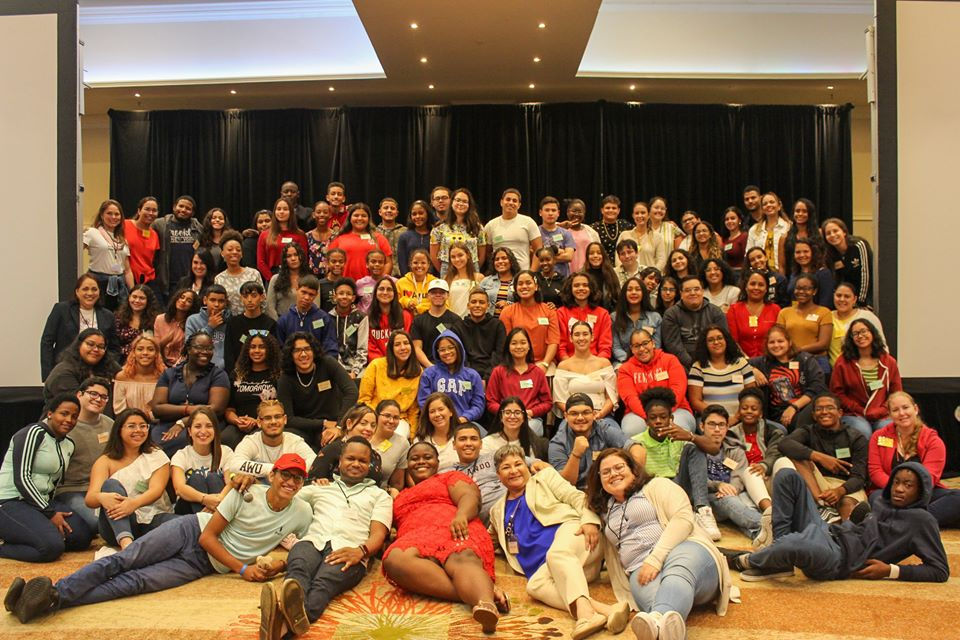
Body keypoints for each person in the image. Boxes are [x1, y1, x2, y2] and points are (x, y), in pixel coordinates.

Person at [4, 453, 311, 626]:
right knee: (125, 560)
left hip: (201, 565)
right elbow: (207, 538)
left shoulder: (301, 512)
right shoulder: (245, 493)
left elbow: (301, 546)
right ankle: (54, 593)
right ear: (272, 475)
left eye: (297, 478)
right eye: (285, 474)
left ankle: (45, 599)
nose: (290, 482)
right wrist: (243, 569)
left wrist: (277, 565)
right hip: (191, 531)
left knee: (135, 583)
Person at [586, 447, 734, 640]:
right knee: (660, 614)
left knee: (678, 570)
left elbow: (683, 519)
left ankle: (657, 619)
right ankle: (661, 625)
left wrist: (655, 559)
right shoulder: (605, 509)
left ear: (633, 469)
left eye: (619, 467)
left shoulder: (657, 486)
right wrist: (588, 521)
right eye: (606, 472)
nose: (613, 474)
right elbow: (579, 500)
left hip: (685, 552)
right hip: (640, 570)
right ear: (599, 479)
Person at [490, 445, 630, 640]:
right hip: (554, 570)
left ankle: (586, 616)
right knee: (534, 586)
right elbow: (488, 540)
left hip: (577, 538)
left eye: (518, 464)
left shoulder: (545, 478)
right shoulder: (497, 510)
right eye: (506, 467)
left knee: (557, 553)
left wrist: (590, 520)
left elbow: (578, 497)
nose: (513, 470)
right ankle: (606, 610)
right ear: (498, 475)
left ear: (526, 466)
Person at [725, 462, 948, 583]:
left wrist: (891, 570)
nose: (898, 489)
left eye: (908, 485)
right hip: (830, 531)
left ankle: (742, 560)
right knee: (786, 475)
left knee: (793, 544)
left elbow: (939, 570)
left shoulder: (922, 520)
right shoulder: (880, 500)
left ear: (921, 491)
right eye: (896, 481)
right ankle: (780, 559)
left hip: (838, 559)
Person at [269, 437, 393, 638]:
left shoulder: (380, 496)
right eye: (350, 458)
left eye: (362, 461)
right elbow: (279, 495)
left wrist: (360, 552)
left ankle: (282, 622)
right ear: (340, 461)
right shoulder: (320, 488)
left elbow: (378, 534)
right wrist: (241, 480)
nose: (356, 464)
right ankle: (287, 619)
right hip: (313, 542)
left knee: (323, 582)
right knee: (299, 569)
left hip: (349, 551)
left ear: (369, 464)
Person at [380, 442, 508, 635]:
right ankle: (482, 593)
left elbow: (469, 496)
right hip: (415, 536)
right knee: (394, 560)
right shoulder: (400, 497)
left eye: (427, 457)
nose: (421, 461)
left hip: (454, 524)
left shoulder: (449, 477)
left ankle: (485, 603)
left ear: (437, 462)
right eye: (414, 458)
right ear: (407, 465)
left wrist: (461, 516)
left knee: (461, 557)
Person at [0, 394, 95, 563]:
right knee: (51, 548)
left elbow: (54, 482)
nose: (69, 420)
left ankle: (30, 535)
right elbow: (22, 478)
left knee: (81, 538)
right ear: (50, 413)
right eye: (64, 413)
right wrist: (49, 513)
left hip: (41, 502)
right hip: (11, 501)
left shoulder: (68, 444)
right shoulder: (32, 433)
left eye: (74, 416)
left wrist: (49, 508)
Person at [86, 408, 176, 552]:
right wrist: (101, 497)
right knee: (110, 485)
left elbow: (156, 490)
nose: (138, 430)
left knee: (184, 524)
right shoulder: (105, 461)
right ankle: (127, 545)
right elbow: (90, 499)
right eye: (131, 426)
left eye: (143, 426)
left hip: (151, 517)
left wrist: (133, 504)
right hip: (115, 525)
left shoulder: (157, 455)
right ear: (119, 430)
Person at [869, 391, 960, 527]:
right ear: (889, 415)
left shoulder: (933, 440)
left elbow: (930, 478)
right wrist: (897, 489)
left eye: (905, 407)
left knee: (957, 497)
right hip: (889, 491)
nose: (901, 413)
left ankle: (900, 522)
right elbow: (875, 471)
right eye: (895, 410)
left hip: (923, 493)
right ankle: (918, 521)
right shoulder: (878, 437)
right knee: (876, 498)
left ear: (915, 409)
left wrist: (909, 492)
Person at [775, 393, 868, 522]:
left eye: (830, 408)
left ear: (840, 413)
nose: (824, 412)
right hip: (816, 483)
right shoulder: (808, 431)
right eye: (819, 409)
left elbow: (859, 477)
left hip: (846, 485)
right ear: (813, 415)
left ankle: (845, 530)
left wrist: (840, 491)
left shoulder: (856, 437)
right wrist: (819, 457)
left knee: (847, 505)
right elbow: (784, 444)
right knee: (797, 456)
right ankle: (822, 506)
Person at [699, 406, 773, 546]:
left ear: (727, 427)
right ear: (702, 426)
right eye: (712, 424)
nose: (717, 429)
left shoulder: (735, 450)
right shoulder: (695, 449)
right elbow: (696, 479)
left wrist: (732, 489)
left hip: (733, 493)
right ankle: (776, 525)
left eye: (721, 425)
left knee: (748, 504)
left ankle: (760, 536)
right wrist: (718, 485)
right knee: (730, 502)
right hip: (709, 496)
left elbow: (739, 475)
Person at [150, 331, 230, 456]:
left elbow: (216, 409)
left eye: (209, 348)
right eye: (199, 347)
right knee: (153, 443)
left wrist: (183, 422)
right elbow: (157, 408)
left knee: (182, 441)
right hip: (167, 423)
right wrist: (188, 409)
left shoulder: (218, 375)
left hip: (204, 424)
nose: (205, 352)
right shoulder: (170, 374)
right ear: (188, 349)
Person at [277, 332, 358, 448]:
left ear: (314, 351)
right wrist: (323, 423)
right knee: (288, 443)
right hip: (302, 428)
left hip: (333, 424)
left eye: (307, 349)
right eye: (297, 350)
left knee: (335, 444)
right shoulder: (285, 378)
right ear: (290, 354)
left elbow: (352, 392)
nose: (303, 354)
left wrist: (340, 426)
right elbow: (288, 418)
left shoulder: (327, 363)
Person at [549, 394, 645, 489]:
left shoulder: (603, 429)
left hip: (608, 488)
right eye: (574, 414)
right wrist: (576, 455)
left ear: (594, 414)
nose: (580, 418)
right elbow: (566, 484)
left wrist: (630, 477)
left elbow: (638, 449)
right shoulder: (558, 443)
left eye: (586, 412)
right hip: (577, 492)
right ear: (566, 416)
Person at [56, 378, 114, 531]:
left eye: (103, 397)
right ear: (79, 395)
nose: (98, 399)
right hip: (72, 489)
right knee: (97, 523)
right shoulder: (64, 425)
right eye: (93, 394)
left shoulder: (110, 424)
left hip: (103, 486)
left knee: (127, 515)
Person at [616, 329, 696, 436]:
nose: (642, 349)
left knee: (678, 427)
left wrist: (664, 415)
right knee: (632, 429)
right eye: (636, 346)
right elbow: (630, 398)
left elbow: (678, 390)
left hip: (676, 409)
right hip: (638, 414)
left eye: (645, 343)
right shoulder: (625, 369)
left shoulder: (670, 360)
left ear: (653, 343)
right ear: (632, 349)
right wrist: (650, 417)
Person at [40, 273, 119, 381]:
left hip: (98, 374)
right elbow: (47, 342)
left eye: (94, 289)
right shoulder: (61, 310)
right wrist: (48, 375)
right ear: (77, 292)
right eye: (85, 289)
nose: (90, 293)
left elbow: (114, 348)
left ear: (99, 292)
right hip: (66, 371)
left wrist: (107, 368)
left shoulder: (108, 315)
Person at [830, 319, 901, 438]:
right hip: (853, 414)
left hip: (883, 414)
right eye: (855, 333)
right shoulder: (843, 362)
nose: (860, 336)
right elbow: (837, 393)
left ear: (872, 333)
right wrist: (860, 410)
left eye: (864, 331)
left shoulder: (889, 361)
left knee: (885, 430)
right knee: (863, 431)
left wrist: (882, 410)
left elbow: (896, 393)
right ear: (851, 338)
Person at [748, 324, 826, 429]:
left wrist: (793, 407)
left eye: (780, 341)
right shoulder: (763, 362)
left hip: (803, 408)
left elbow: (817, 387)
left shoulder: (805, 359)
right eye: (772, 342)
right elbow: (738, 362)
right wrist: (753, 370)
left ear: (789, 343)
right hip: (777, 414)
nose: (776, 345)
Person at [487, 328, 552, 437]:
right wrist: (508, 413)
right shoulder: (498, 371)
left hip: (531, 420)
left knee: (525, 431)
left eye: (523, 343)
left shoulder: (537, 372)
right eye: (514, 343)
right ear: (508, 347)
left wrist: (531, 412)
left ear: (529, 346)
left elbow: (547, 402)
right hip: (505, 420)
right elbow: (491, 401)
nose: (518, 346)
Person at [554, 321, 619, 430]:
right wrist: (577, 415)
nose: (581, 338)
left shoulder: (604, 363)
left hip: (601, 415)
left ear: (592, 337)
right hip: (573, 418)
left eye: (585, 334)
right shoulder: (563, 366)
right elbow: (560, 400)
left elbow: (611, 397)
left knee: (616, 435)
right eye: (577, 334)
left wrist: (600, 414)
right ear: (571, 338)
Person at [228, 400, 317, 478]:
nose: (273, 422)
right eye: (267, 418)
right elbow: (235, 465)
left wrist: (287, 471)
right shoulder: (251, 441)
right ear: (259, 422)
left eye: (277, 417)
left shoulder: (295, 441)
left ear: (285, 419)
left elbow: (314, 462)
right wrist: (277, 469)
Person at [170, 407, 234, 514]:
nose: (203, 431)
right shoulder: (181, 455)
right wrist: (205, 499)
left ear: (215, 430)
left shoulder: (226, 452)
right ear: (190, 431)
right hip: (187, 511)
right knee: (196, 479)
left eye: (209, 426)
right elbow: (179, 488)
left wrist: (217, 500)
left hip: (219, 504)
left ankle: (211, 520)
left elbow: (231, 483)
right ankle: (206, 522)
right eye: (198, 426)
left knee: (214, 477)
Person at [358, 330, 422, 435]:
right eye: (397, 344)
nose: (403, 347)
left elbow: (413, 409)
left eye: (406, 343)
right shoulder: (376, 365)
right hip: (374, 414)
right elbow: (364, 400)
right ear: (391, 349)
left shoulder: (417, 371)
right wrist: (375, 418)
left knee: (397, 436)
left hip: (399, 419)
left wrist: (412, 434)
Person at [687, 325, 756, 423]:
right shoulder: (698, 367)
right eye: (711, 340)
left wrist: (736, 417)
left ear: (726, 340)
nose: (716, 342)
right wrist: (720, 418)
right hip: (711, 421)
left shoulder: (741, 363)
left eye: (720, 338)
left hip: (742, 419)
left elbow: (752, 395)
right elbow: (696, 402)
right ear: (705, 345)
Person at [223, 334, 281, 448]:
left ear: (269, 350)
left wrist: (256, 421)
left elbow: (281, 408)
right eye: (253, 347)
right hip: (239, 425)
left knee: (254, 443)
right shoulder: (237, 374)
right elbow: (229, 410)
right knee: (225, 438)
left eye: (262, 347)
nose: (257, 351)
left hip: (267, 425)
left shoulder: (278, 375)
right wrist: (238, 421)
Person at [417, 331, 486, 426]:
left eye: (451, 348)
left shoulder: (472, 375)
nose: (447, 352)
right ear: (437, 352)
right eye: (442, 350)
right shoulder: (429, 374)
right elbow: (423, 402)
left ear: (458, 348)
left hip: (463, 424)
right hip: (435, 424)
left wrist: (465, 418)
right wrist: (438, 418)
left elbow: (478, 405)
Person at [662, 275, 728, 370]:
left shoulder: (715, 312)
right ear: (681, 294)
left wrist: (710, 364)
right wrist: (693, 365)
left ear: (702, 291)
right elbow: (673, 345)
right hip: (683, 363)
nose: (693, 293)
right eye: (688, 290)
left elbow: (723, 340)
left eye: (696, 289)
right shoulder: (671, 314)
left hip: (713, 360)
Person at [308, 405, 384, 485]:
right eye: (363, 423)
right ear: (349, 424)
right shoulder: (332, 449)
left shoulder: (376, 456)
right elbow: (310, 481)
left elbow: (377, 486)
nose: (369, 429)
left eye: (373, 425)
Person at [500, 270, 560, 371]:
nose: (524, 286)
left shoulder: (549, 311)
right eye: (520, 284)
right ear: (515, 288)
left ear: (536, 286)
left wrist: (545, 364)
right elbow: (505, 343)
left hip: (544, 363)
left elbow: (553, 341)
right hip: (516, 363)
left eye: (528, 283)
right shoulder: (507, 312)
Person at [777, 273, 833, 376]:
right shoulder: (784, 312)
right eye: (798, 288)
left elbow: (824, 344)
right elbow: (779, 338)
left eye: (806, 289)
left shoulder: (824, 312)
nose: (801, 292)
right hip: (791, 360)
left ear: (814, 291)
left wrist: (798, 350)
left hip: (817, 361)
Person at [43, 328, 120, 402]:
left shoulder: (106, 364)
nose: (96, 349)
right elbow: (76, 403)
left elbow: (123, 376)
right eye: (90, 344)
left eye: (101, 347)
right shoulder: (63, 372)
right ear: (79, 345)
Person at [84, 199, 134, 310]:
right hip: (98, 282)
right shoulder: (92, 233)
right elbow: (75, 252)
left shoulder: (122, 239)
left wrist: (132, 291)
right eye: (109, 213)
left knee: (119, 316)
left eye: (117, 214)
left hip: (119, 284)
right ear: (102, 215)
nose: (113, 217)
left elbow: (127, 270)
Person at [728, 388, 785, 482]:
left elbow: (774, 454)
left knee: (784, 462)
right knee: (752, 473)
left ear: (761, 414)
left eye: (754, 409)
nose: (749, 411)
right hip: (743, 476)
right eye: (744, 408)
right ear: (739, 412)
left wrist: (763, 466)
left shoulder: (772, 432)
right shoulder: (731, 434)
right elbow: (727, 461)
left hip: (768, 474)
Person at [151, 195, 203, 298]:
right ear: (174, 207)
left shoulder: (198, 228)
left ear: (192, 212)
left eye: (188, 208)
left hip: (188, 282)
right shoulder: (159, 225)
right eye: (181, 206)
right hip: (165, 282)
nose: (183, 210)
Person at [327, 203, 393, 281]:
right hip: (345, 286)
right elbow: (329, 263)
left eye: (364, 216)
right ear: (350, 218)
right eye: (356, 215)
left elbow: (388, 263)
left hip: (371, 286)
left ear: (369, 219)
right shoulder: (339, 238)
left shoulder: (379, 238)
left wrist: (379, 282)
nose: (360, 218)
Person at [275, 275, 338, 358]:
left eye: (311, 294)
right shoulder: (284, 320)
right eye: (303, 292)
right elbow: (279, 350)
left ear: (316, 295)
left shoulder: (324, 319)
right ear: (297, 289)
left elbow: (330, 349)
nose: (306, 297)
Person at [222, 280, 277, 374]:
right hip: (239, 373)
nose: (250, 300)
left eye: (254, 296)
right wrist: (233, 374)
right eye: (245, 296)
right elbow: (228, 353)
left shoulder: (270, 324)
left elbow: (273, 353)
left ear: (262, 297)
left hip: (264, 373)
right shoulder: (233, 323)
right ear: (241, 298)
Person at [452, 287, 506, 382]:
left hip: (492, 374)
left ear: (488, 305)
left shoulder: (497, 326)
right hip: (466, 375)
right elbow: (460, 355)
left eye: (481, 302)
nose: (477, 305)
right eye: (474, 302)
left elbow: (499, 355)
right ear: (468, 305)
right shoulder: (458, 327)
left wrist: (487, 378)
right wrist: (472, 377)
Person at [430, 187, 486, 276]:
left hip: (472, 268)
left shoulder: (477, 227)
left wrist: (473, 268)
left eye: (465, 201)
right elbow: (433, 257)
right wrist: (443, 271)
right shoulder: (439, 228)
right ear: (452, 202)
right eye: (458, 200)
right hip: (447, 268)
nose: (461, 204)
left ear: (469, 205)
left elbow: (482, 256)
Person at [726, 269, 781, 358]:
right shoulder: (734, 310)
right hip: (742, 360)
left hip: (771, 360)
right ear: (745, 287)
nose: (756, 287)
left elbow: (779, 340)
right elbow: (733, 341)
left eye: (761, 285)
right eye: (752, 284)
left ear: (766, 289)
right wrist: (746, 360)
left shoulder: (775, 309)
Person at [557, 273, 613, 360]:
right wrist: (569, 364)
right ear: (570, 289)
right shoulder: (561, 313)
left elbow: (605, 347)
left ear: (591, 288)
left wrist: (596, 364)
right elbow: (561, 347)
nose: (581, 288)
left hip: (596, 362)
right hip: (569, 362)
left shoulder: (603, 314)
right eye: (576, 285)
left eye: (585, 285)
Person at [484, 187, 543, 271]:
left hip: (522, 274)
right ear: (501, 202)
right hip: (499, 275)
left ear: (519, 205)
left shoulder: (528, 222)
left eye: (514, 201)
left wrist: (531, 272)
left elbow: (538, 249)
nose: (511, 202)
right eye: (508, 199)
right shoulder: (490, 225)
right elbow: (487, 252)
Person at [822, 218, 874, 308]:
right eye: (828, 233)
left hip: (867, 299)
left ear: (844, 232)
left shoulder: (859, 245)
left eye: (835, 231)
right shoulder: (830, 254)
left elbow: (866, 275)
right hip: (848, 301)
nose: (832, 235)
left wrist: (861, 302)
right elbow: (837, 280)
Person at [829, 282, 885, 366]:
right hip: (836, 371)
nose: (842, 299)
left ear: (854, 299)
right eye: (838, 295)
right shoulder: (827, 317)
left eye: (847, 296)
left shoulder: (867, 316)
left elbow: (882, 345)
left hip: (864, 369)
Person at [256, 197, 309, 283]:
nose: (281, 212)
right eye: (278, 209)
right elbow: (260, 262)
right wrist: (272, 279)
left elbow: (304, 259)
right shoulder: (265, 235)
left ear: (291, 212)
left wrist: (295, 279)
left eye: (285, 209)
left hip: (295, 278)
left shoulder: (300, 235)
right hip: (273, 277)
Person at [612, 276, 662, 362]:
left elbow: (656, 346)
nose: (634, 292)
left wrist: (643, 360)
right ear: (624, 294)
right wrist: (632, 362)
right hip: (624, 362)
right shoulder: (614, 317)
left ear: (644, 293)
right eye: (629, 290)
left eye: (638, 289)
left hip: (650, 361)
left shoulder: (655, 317)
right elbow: (616, 348)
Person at [113, 335, 165, 417]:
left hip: (157, 421)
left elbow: (164, 407)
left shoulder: (164, 377)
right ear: (133, 353)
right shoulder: (122, 377)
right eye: (140, 349)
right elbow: (119, 409)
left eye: (150, 349)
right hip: (128, 421)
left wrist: (150, 417)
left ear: (156, 354)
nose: (145, 353)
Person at [483, 397, 550, 460]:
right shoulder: (487, 443)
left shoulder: (535, 444)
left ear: (524, 417)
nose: (512, 416)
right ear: (501, 417)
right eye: (507, 413)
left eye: (517, 413)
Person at [214, 231, 263, 316]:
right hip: (229, 321)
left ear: (242, 254)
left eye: (238, 250)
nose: (234, 252)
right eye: (230, 249)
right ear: (222, 253)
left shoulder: (254, 274)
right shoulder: (219, 279)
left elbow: (263, 302)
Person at [329, 277, 369, 379]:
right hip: (334, 368)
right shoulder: (328, 318)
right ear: (335, 296)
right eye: (341, 293)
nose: (344, 296)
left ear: (353, 298)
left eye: (348, 294)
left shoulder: (361, 318)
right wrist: (340, 372)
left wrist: (354, 372)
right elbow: (329, 349)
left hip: (357, 369)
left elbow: (362, 349)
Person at [365, 276, 413, 362]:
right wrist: (383, 363)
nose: (385, 292)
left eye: (389, 289)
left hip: (402, 362)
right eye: (381, 289)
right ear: (375, 293)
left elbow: (408, 342)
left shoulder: (406, 316)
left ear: (394, 293)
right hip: (378, 364)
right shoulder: (367, 318)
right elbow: (369, 345)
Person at [184, 284, 230, 369]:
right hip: (197, 368)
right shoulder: (193, 320)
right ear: (205, 300)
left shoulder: (230, 322)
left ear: (225, 303)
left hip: (223, 370)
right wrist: (209, 327)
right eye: (212, 300)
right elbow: (188, 345)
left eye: (221, 301)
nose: (216, 304)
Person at [368, 400, 410, 490]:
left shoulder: (402, 444)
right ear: (377, 415)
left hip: (379, 492)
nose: (391, 421)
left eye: (396, 418)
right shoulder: (365, 433)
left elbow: (397, 483)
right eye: (387, 416)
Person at [745, 191, 791, 273]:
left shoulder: (788, 227)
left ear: (779, 206)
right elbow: (748, 254)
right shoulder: (754, 230)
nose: (768, 205)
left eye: (772, 202)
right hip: (760, 273)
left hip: (784, 272)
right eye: (765, 204)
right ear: (762, 209)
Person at [123, 196, 161, 293]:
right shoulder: (125, 225)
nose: (150, 213)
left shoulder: (154, 234)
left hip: (148, 281)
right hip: (127, 279)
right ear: (139, 211)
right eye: (147, 209)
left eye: (154, 210)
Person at [415, 393, 462, 469]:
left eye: (441, 409)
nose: (437, 414)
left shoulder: (463, 436)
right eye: (432, 411)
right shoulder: (420, 441)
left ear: (451, 412)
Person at [154, 287, 198, 366]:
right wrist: (163, 343)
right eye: (182, 297)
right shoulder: (160, 319)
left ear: (192, 306)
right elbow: (155, 348)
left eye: (189, 301)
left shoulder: (192, 323)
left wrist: (177, 367)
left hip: (182, 365)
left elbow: (189, 351)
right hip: (160, 363)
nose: (183, 301)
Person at [113, 284, 161, 357]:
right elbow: (114, 344)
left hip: (145, 357)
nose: (137, 301)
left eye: (142, 298)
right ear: (129, 297)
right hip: (120, 357)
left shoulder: (155, 320)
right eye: (134, 297)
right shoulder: (118, 317)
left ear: (148, 301)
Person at [617, 200, 665, 272]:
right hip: (628, 277)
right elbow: (618, 257)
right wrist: (624, 274)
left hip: (650, 277)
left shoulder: (657, 237)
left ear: (649, 215)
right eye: (637, 213)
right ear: (633, 216)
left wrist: (652, 274)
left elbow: (661, 260)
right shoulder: (625, 235)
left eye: (643, 213)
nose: (640, 216)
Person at [785, 238, 835, 308]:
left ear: (813, 253)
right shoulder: (794, 274)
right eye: (798, 252)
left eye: (806, 251)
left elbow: (826, 303)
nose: (802, 255)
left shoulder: (823, 273)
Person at [266, 241, 310, 320]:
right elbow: (270, 307)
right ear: (284, 260)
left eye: (296, 255)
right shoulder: (275, 279)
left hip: (305, 322)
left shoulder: (310, 279)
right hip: (280, 321)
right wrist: (279, 324)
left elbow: (315, 306)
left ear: (301, 256)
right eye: (289, 256)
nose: (293, 259)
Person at [781, 198, 823, 276]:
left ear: (810, 214)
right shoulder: (784, 237)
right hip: (793, 276)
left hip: (817, 275)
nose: (800, 214)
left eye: (804, 211)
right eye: (797, 211)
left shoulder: (819, 233)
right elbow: (782, 266)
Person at [396, 200, 434, 281]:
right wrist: (408, 280)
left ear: (427, 214)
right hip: (410, 281)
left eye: (421, 213)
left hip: (431, 281)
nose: (417, 216)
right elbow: (402, 263)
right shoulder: (404, 237)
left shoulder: (435, 235)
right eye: (414, 214)